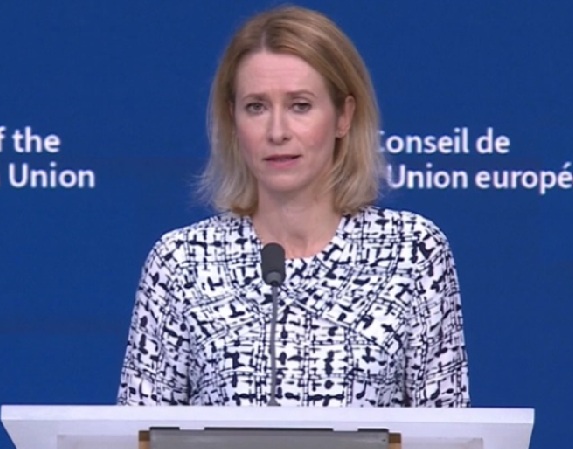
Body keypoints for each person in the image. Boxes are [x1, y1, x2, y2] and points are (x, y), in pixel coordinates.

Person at [117, 5, 470, 407]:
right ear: (233, 121)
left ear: (343, 117)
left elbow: (449, 428)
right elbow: (137, 429)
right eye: (256, 107)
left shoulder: (412, 252)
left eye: (300, 105)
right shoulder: (181, 262)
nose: (277, 131)